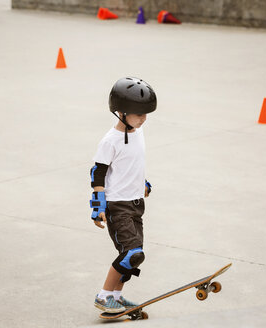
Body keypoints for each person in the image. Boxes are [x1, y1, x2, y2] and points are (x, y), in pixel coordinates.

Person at [89, 77, 157, 313]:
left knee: (135, 256)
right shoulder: (110, 141)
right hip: (117, 205)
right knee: (131, 253)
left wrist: (142, 183)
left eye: (146, 113)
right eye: (139, 114)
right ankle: (103, 295)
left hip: (136, 203)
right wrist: (98, 206)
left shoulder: (138, 130)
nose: (144, 118)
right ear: (121, 113)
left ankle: (116, 297)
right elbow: (98, 173)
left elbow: (133, 161)